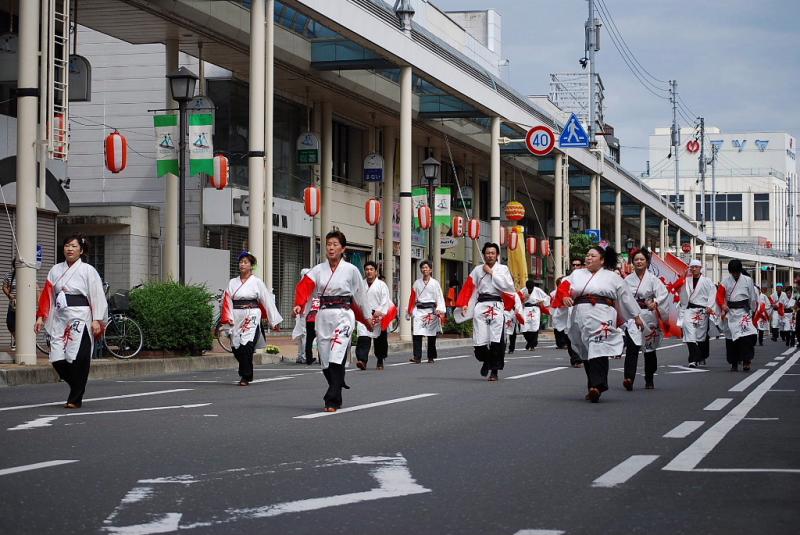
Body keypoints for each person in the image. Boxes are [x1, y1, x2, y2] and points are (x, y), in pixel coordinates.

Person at [552, 245, 643, 402]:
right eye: (587, 255)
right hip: (580, 314)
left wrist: (636, 316)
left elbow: (626, 296)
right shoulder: (577, 274)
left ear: (602, 260)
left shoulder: (612, 277)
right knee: (586, 351)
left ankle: (597, 386)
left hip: (602, 313)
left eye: (593, 256)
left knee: (599, 347)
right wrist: (565, 296)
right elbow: (563, 287)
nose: (588, 258)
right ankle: (592, 386)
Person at [294, 231, 371, 412]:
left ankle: (332, 399)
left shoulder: (351, 270)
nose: (331, 247)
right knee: (326, 361)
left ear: (343, 249)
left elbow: (360, 295)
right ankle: (337, 385)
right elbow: (305, 287)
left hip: (343, 314)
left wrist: (367, 316)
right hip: (323, 315)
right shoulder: (318, 269)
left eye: (335, 244)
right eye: (329, 244)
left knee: (337, 355)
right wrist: (299, 304)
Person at [34, 235, 107, 409]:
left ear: (81, 250)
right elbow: (47, 295)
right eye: (67, 245)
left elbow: (96, 294)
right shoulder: (55, 270)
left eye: (74, 246)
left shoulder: (88, 270)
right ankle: (77, 386)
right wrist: (41, 317)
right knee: (57, 359)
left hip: (81, 316)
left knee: (80, 358)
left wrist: (97, 319)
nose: (69, 249)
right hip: (60, 316)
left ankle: (75, 398)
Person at [455, 242, 523, 382]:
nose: (490, 255)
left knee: (496, 341)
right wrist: (465, 304)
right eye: (487, 253)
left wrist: (492, 273)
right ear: (484, 254)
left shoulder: (503, 269)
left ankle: (494, 371)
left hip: (497, 306)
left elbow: (508, 287)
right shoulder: (477, 270)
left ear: (497, 255)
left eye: (493, 253)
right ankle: (486, 360)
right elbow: (469, 287)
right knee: (479, 345)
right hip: (481, 306)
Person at [221, 251, 282, 386]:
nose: (242, 264)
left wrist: (274, 320)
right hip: (236, 315)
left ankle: (245, 375)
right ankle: (246, 371)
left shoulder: (257, 282)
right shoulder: (232, 282)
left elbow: (266, 300)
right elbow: (226, 301)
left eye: (245, 262)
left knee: (247, 345)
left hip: (251, 313)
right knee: (236, 347)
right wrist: (226, 319)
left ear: (251, 266)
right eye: (241, 262)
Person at [622, 247, 670, 390]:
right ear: (632, 262)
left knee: (649, 349)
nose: (639, 262)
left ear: (647, 262)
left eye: (642, 259)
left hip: (648, 316)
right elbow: (623, 298)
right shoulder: (627, 280)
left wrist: (655, 302)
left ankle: (649, 378)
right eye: (636, 259)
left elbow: (663, 294)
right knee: (632, 347)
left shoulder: (653, 280)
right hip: (633, 316)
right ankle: (629, 378)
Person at [717, 260, 758, 372]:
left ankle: (746, 360)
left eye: (737, 272)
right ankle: (734, 363)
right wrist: (723, 305)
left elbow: (752, 297)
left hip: (744, 312)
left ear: (740, 271)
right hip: (730, 312)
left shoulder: (748, 280)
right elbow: (719, 296)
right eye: (733, 272)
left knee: (747, 336)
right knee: (731, 339)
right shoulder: (725, 281)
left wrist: (753, 310)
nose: (735, 274)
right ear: (730, 272)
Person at [356, 261, 396, 370]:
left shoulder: (382, 285)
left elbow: (385, 301)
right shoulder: (361, 285)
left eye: (371, 269)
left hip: (378, 315)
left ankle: (380, 359)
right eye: (367, 269)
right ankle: (362, 360)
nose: (369, 271)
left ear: (376, 272)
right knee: (363, 337)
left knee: (380, 340)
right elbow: (357, 300)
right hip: (365, 315)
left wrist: (379, 312)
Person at [678, 259, 716, 368]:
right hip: (689, 310)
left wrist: (709, 306)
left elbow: (713, 294)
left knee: (700, 336)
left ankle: (700, 356)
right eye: (692, 267)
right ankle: (692, 360)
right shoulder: (686, 280)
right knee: (689, 333)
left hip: (702, 311)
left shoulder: (707, 281)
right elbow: (681, 294)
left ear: (700, 268)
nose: (693, 269)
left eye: (696, 267)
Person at [407, 260, 446, 363]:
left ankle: (431, 356)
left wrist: (440, 309)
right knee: (416, 333)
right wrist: (410, 310)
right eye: (423, 268)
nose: (424, 269)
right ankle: (417, 357)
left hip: (431, 311)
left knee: (431, 335)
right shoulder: (416, 283)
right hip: (419, 310)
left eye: (426, 267)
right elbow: (412, 298)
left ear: (430, 270)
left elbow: (439, 297)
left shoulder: (435, 283)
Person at [550, 276, 581, 367]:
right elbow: (553, 303)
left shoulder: (579, 285)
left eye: (578, 265)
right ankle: (576, 359)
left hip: (579, 312)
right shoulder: (555, 293)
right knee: (569, 336)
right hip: (564, 315)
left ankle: (582, 357)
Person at [518, 280, 550, 351]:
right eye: (528, 288)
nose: (530, 290)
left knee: (534, 326)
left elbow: (547, 297)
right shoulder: (522, 291)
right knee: (524, 326)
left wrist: (542, 301)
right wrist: (523, 299)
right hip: (525, 309)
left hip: (535, 309)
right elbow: (517, 299)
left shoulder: (538, 290)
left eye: (531, 288)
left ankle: (532, 345)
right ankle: (529, 342)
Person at [3, 257, 16, 350]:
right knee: (10, 322)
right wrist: (9, 295)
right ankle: (17, 339)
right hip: (13, 302)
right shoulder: (9, 275)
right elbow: (4, 287)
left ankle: (21, 341)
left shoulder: (29, 275)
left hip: (25, 303)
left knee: (23, 323)